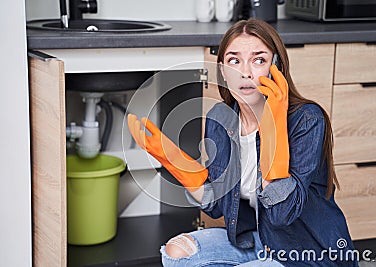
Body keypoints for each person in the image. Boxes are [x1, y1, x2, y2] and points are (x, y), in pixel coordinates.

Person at [127, 19, 358, 266]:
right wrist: (173, 161)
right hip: (256, 240)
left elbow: (282, 214)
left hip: (307, 251)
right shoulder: (220, 119)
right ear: (224, 72)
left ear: (276, 67)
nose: (245, 72)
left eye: (259, 60)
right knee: (176, 253)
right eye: (234, 61)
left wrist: (274, 125)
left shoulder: (307, 120)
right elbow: (217, 205)